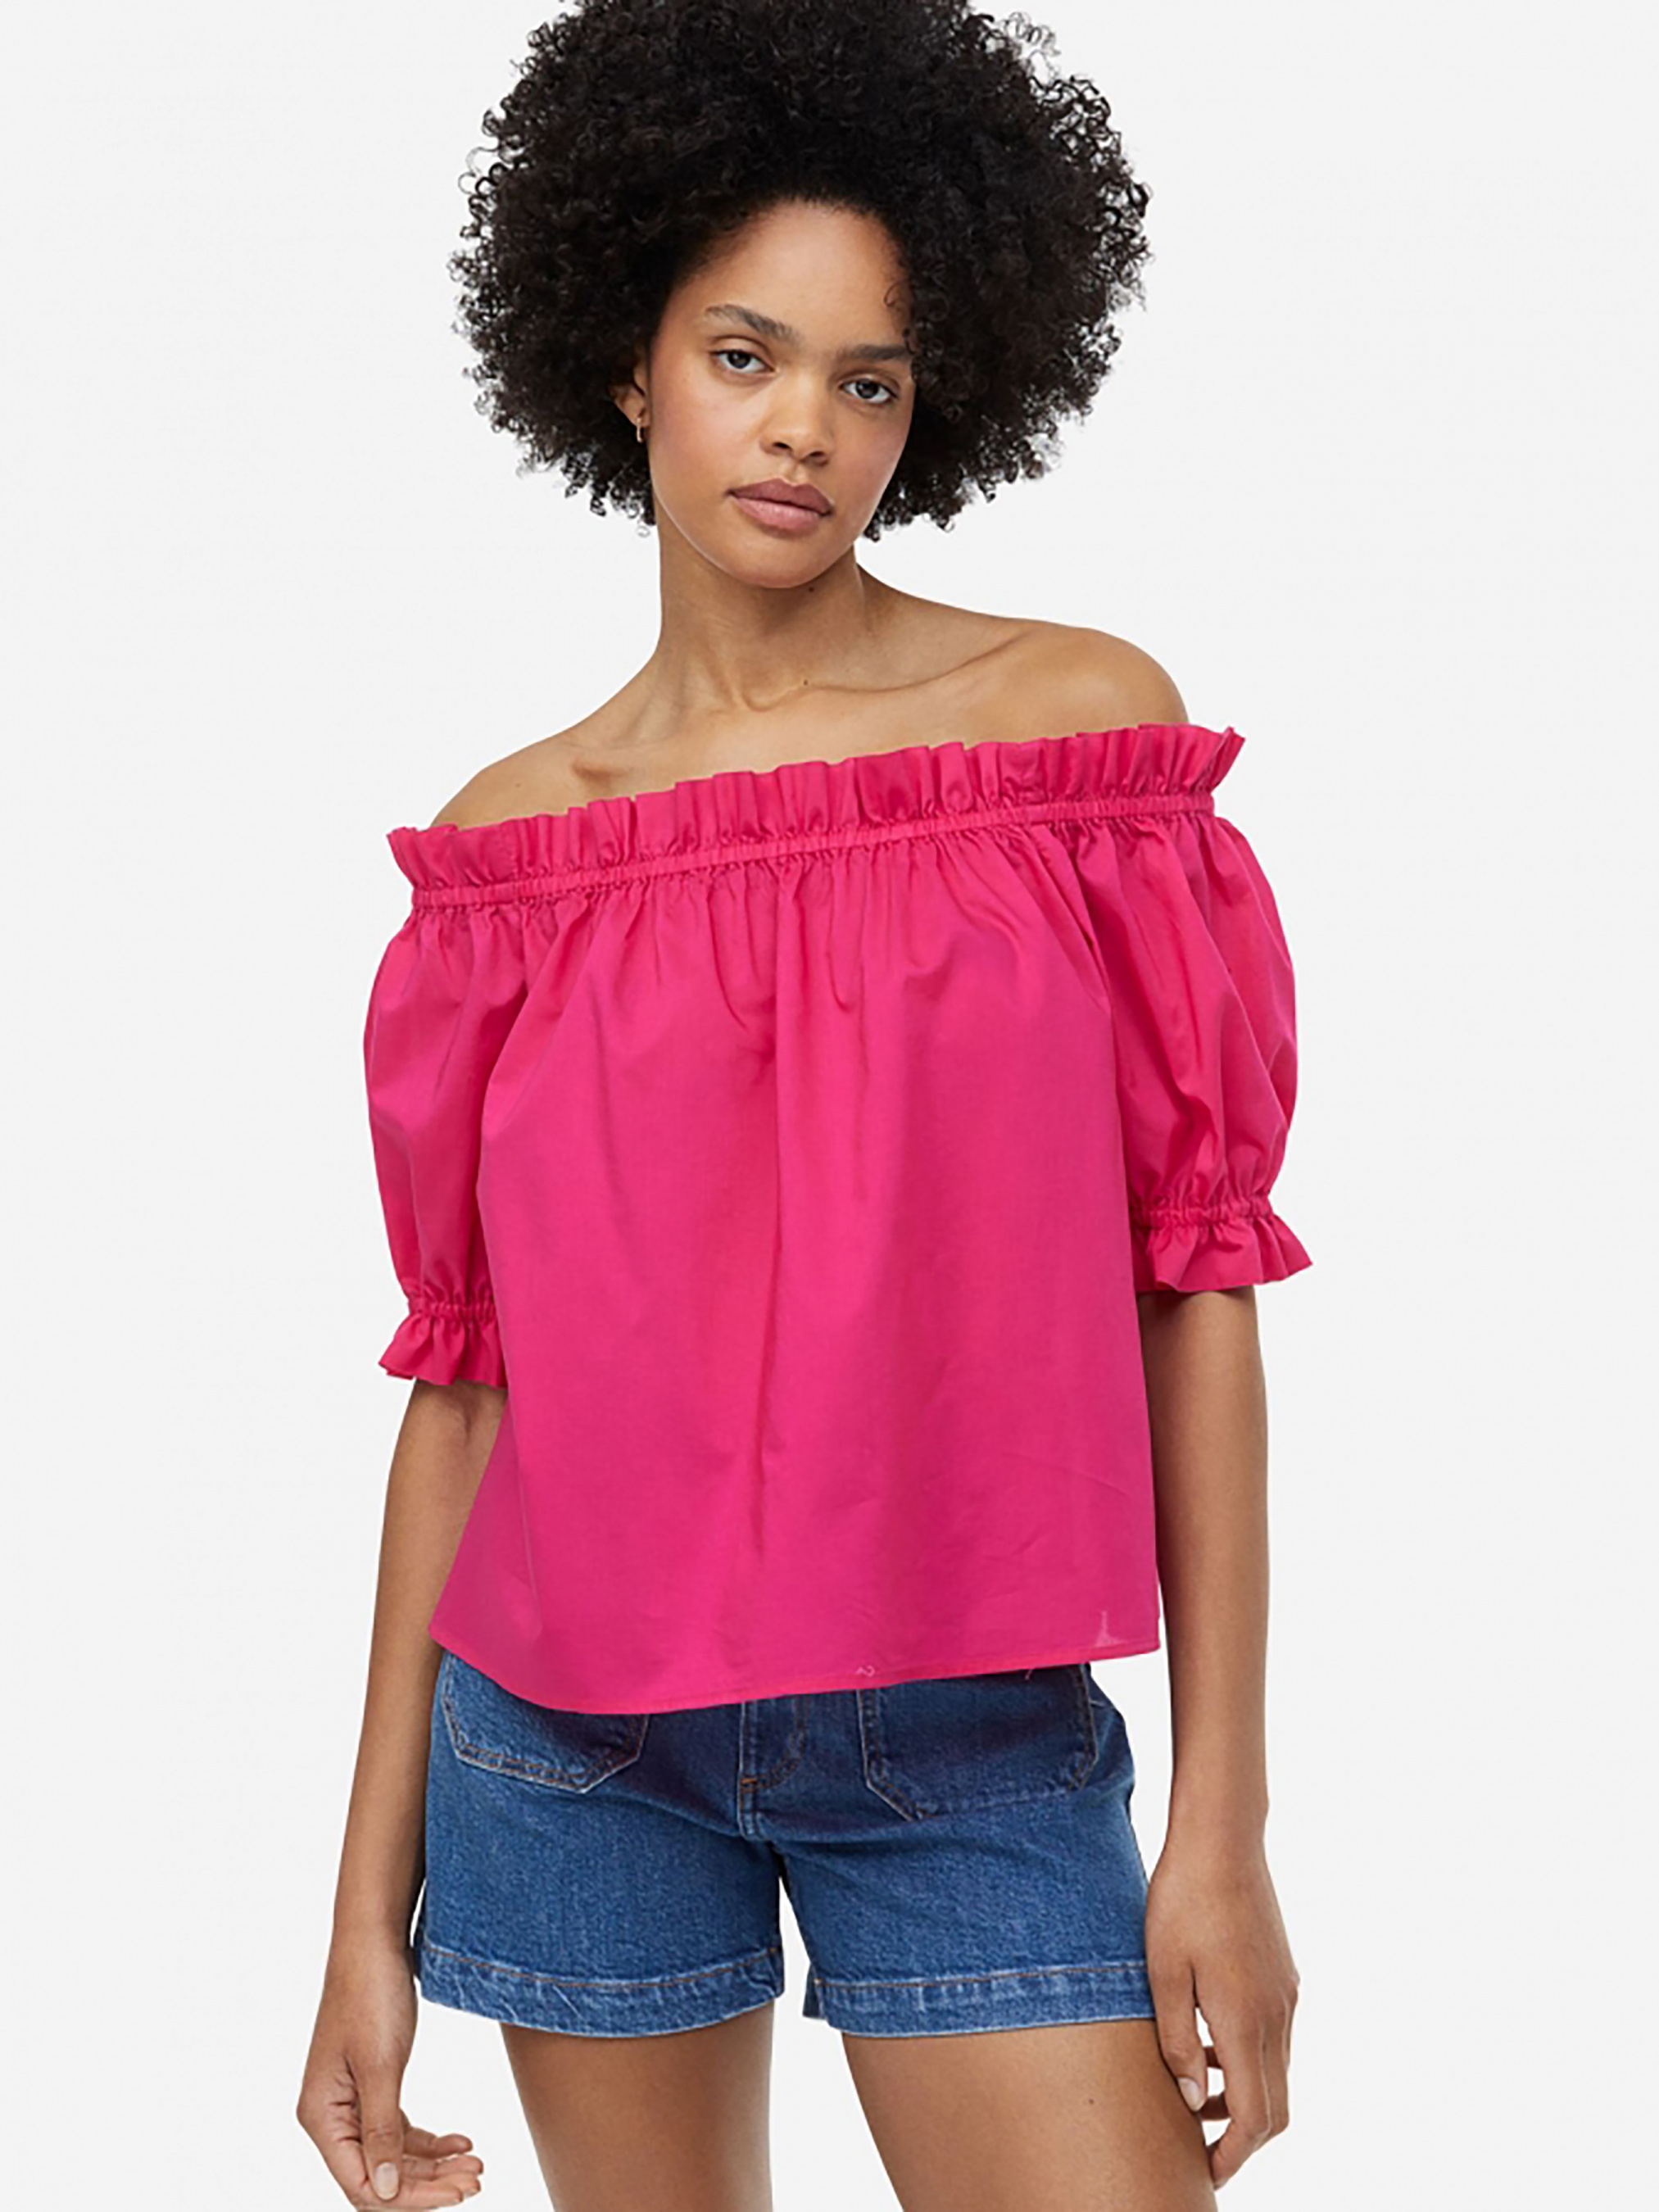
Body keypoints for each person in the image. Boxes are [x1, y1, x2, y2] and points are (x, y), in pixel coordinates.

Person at [297, 2, 1309, 2205]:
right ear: (623, 362)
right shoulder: (510, 856)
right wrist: (362, 1913)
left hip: (969, 1736)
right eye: (744, 355)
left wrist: (1220, 1826)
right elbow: (463, 1389)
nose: (804, 430)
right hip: (565, 1752)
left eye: (870, 381)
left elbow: (1197, 1280)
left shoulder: (1073, 745)